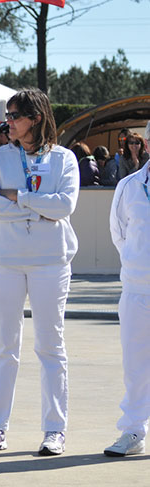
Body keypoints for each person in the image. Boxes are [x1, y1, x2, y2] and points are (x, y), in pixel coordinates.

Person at [0, 88, 79, 456]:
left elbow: (65, 205)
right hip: (4, 260)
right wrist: (39, 208)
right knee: (4, 346)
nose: (9, 122)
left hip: (50, 261)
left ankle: (55, 430)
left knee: (50, 345)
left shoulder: (65, 159)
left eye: (15, 116)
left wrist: (18, 198)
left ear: (35, 118)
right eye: (8, 115)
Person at [105, 121, 150, 457]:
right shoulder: (130, 186)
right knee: (135, 366)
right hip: (138, 288)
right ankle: (133, 431)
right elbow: (119, 235)